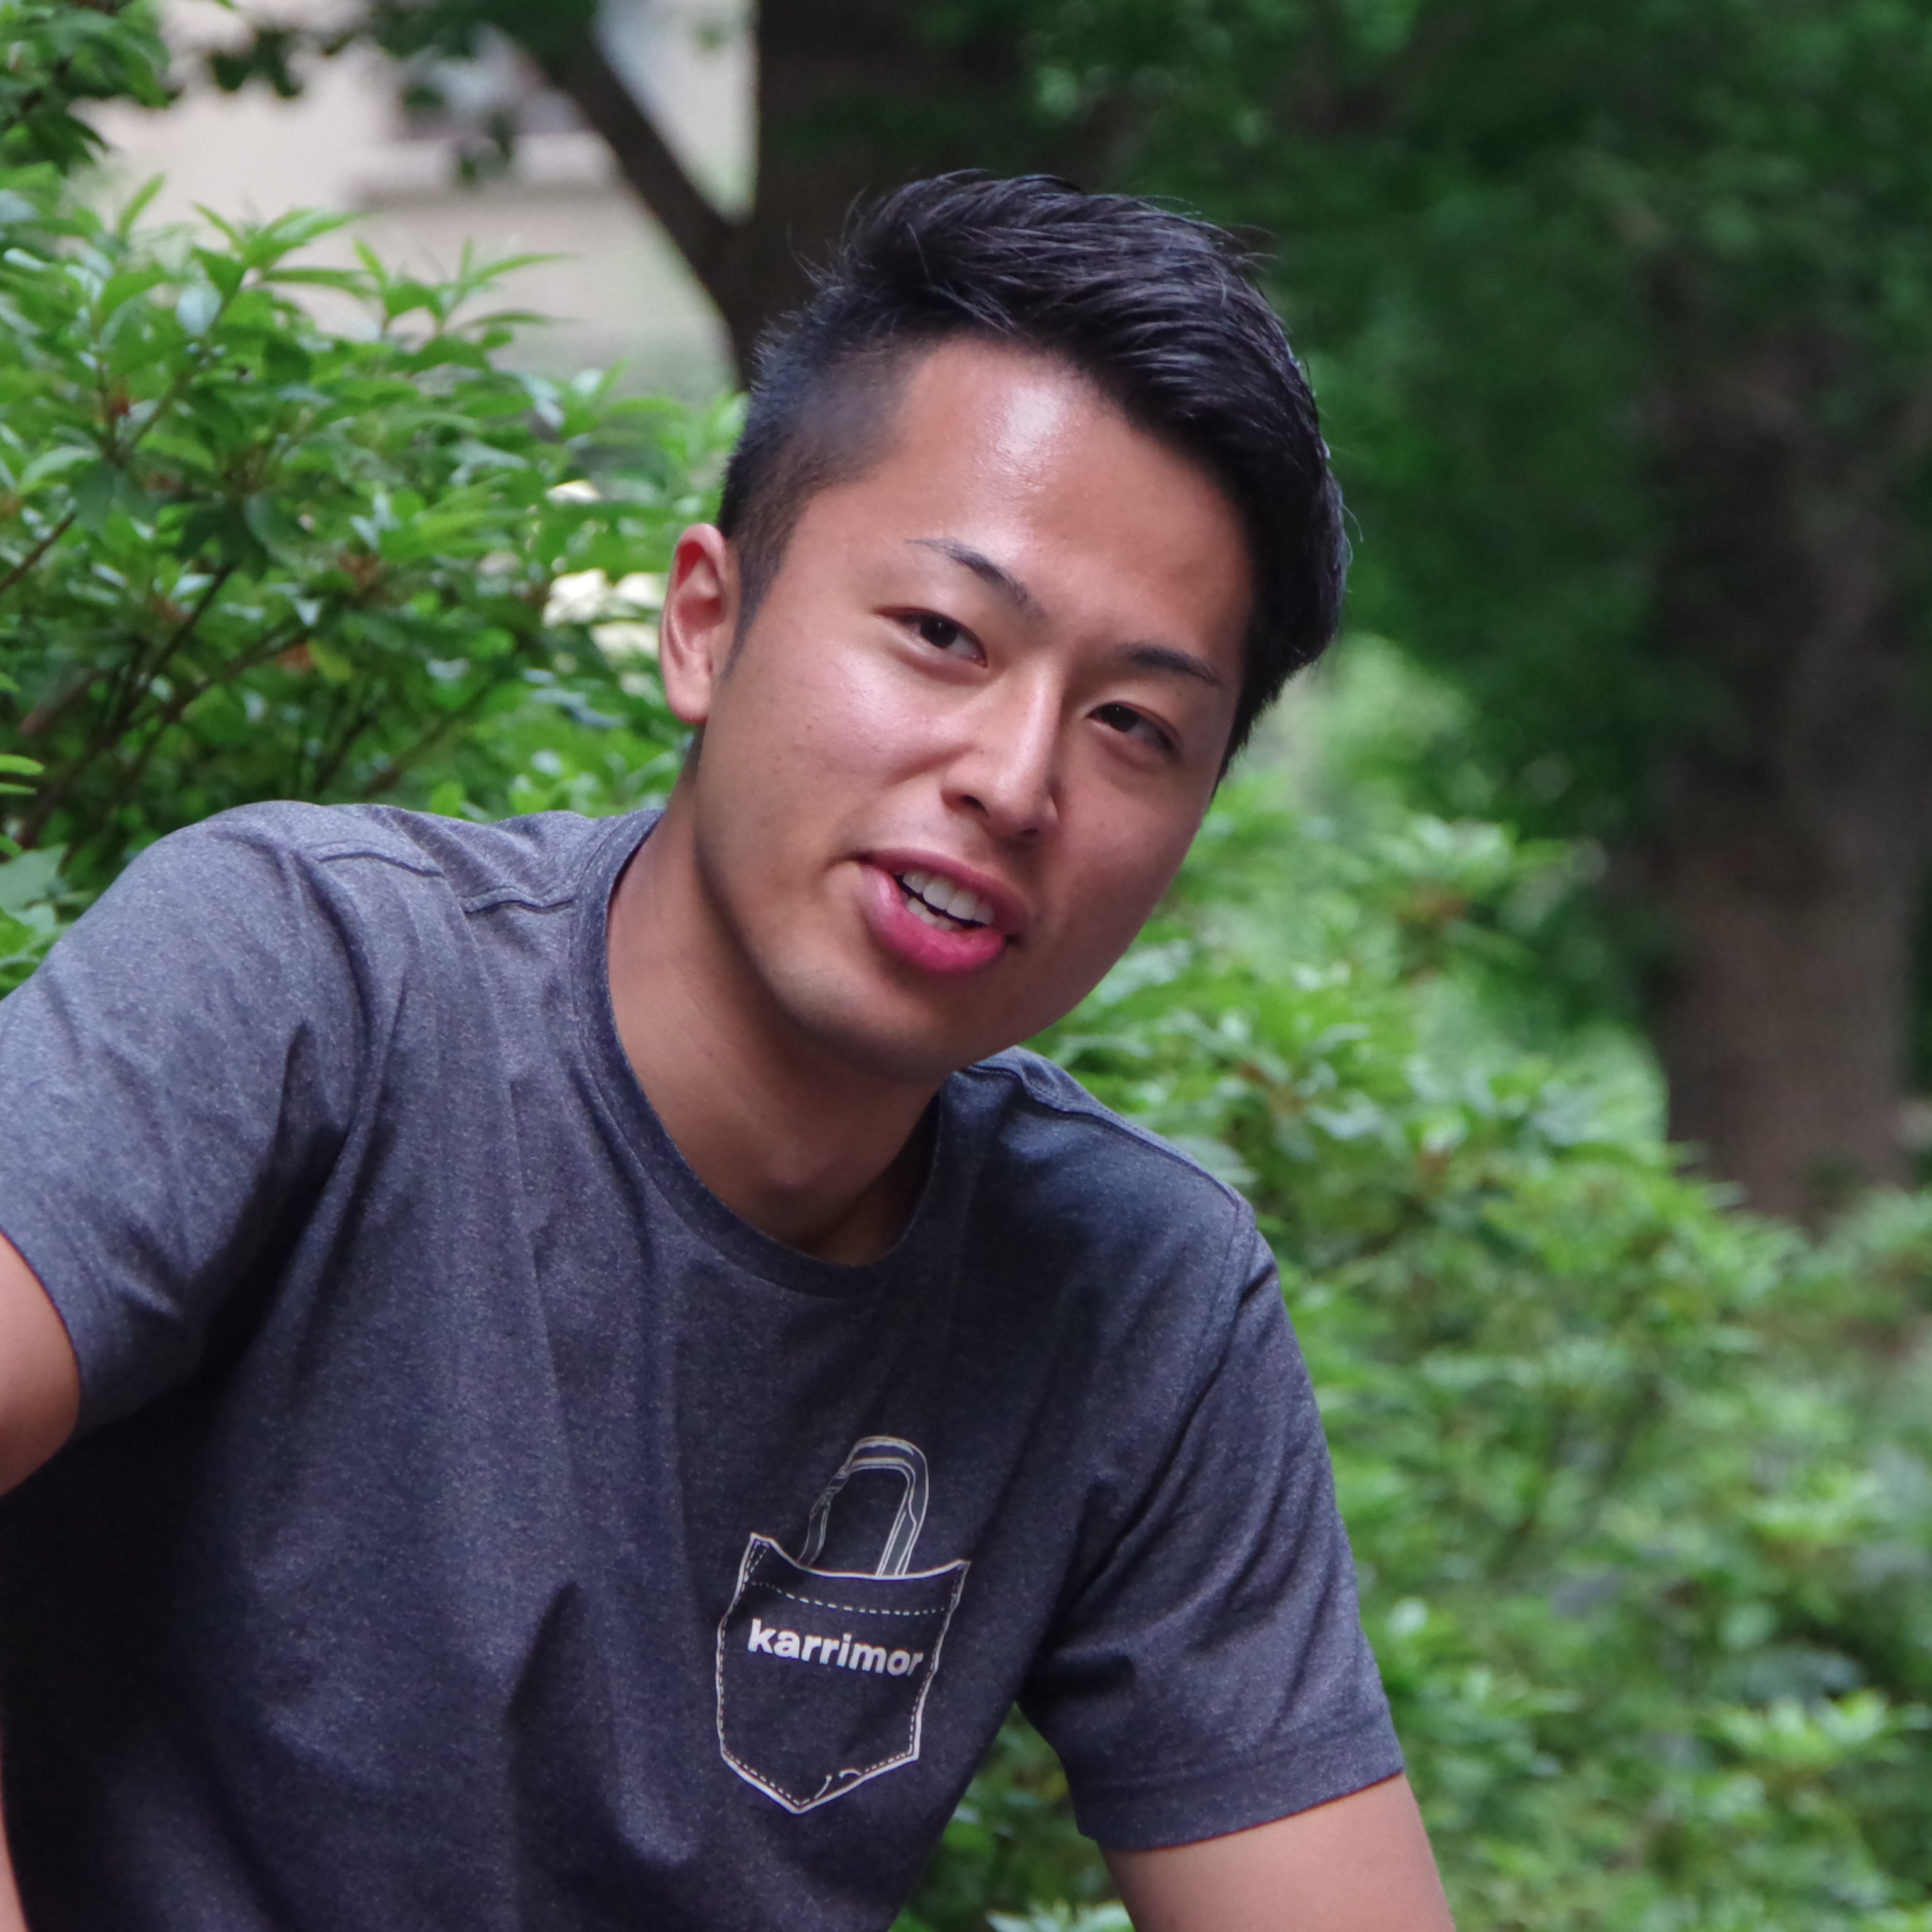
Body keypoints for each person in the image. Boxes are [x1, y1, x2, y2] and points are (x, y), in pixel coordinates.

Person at [0, 174, 1454, 1931]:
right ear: (707, 621)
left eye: (1134, 724)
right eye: (943, 636)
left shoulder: (1134, 1293)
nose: (1016, 780)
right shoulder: (312, 978)